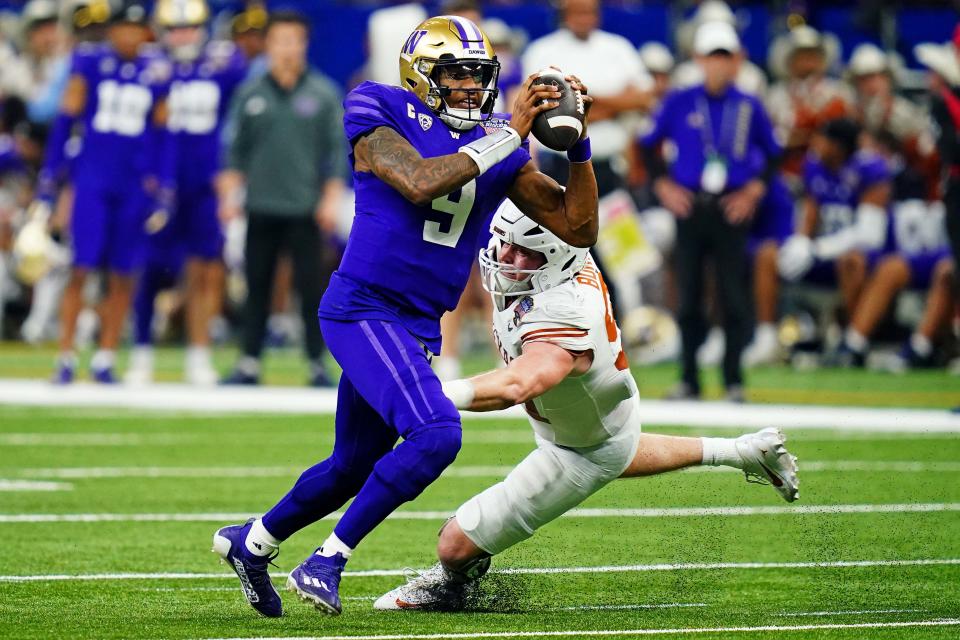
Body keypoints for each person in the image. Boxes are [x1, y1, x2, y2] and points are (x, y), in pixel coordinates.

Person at [212, 14, 600, 618]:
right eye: (456, 75)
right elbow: (419, 181)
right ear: (421, 76)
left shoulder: (498, 139)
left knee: (351, 465)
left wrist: (579, 151)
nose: (471, 88)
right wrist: (508, 137)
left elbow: (578, 228)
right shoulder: (379, 104)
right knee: (438, 433)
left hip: (413, 322)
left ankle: (252, 541)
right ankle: (329, 558)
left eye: (479, 77)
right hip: (363, 306)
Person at [372, 204, 799, 610]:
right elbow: (574, 203)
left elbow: (517, 385)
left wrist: (435, 394)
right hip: (604, 420)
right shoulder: (561, 257)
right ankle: (742, 451)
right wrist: (574, 152)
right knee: (617, 444)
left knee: (453, 545)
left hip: (578, 449)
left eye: (526, 252)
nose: (509, 257)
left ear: (556, 259)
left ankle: (456, 580)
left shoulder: (563, 315)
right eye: (506, 242)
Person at [640, 21, 781, 402]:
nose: (719, 65)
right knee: (688, 296)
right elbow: (647, 145)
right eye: (713, 57)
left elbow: (773, 155)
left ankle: (733, 380)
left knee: (734, 295)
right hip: (691, 206)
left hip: (731, 209)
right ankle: (689, 378)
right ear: (699, 59)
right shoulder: (680, 100)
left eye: (726, 57)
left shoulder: (749, 105)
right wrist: (663, 185)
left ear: (738, 61)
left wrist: (754, 190)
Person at [36, 1, 171, 383]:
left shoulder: (157, 71)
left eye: (136, 28)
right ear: (111, 30)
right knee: (81, 267)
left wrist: (162, 186)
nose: (129, 35)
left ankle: (106, 357)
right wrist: (51, 177)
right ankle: (65, 355)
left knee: (123, 273)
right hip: (94, 179)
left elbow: (164, 135)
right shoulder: (89, 64)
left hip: (133, 183)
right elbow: (65, 121)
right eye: (122, 28)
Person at [218, 10, 345, 388]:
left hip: (305, 207)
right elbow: (234, 151)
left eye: (295, 40)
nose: (288, 49)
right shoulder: (250, 92)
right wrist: (229, 195)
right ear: (269, 45)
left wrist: (330, 199)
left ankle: (315, 362)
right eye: (281, 41)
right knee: (256, 287)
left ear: (304, 44)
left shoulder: (323, 93)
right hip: (259, 204)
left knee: (311, 290)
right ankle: (248, 362)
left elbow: (337, 154)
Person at [125, 0, 248, 385]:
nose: (183, 36)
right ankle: (141, 352)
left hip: (205, 182)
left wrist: (231, 175)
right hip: (158, 182)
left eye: (190, 27)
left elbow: (239, 118)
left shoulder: (224, 64)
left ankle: (198, 353)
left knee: (204, 270)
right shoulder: (145, 66)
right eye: (175, 28)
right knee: (145, 268)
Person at [777, 119, 891, 326]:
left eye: (822, 141)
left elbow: (869, 235)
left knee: (851, 261)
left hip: (862, 253)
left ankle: (853, 336)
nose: (815, 146)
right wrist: (801, 240)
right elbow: (811, 210)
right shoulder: (814, 166)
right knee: (771, 255)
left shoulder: (869, 169)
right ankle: (770, 333)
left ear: (837, 146)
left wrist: (818, 248)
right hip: (821, 249)